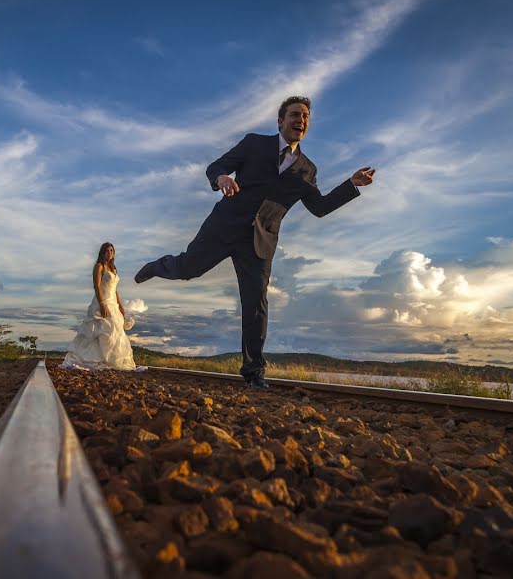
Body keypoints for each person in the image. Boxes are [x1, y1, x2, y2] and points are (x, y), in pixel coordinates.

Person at [135, 96, 374, 388]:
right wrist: (222, 177)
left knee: (255, 306)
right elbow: (217, 166)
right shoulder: (254, 144)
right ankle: (157, 266)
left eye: (306, 117)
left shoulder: (308, 169)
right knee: (187, 269)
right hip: (224, 226)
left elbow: (319, 207)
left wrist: (350, 185)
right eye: (295, 115)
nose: (301, 120)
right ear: (280, 121)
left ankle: (253, 372)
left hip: (260, 241)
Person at [61, 242, 140, 371]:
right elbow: (96, 287)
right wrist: (102, 305)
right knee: (99, 331)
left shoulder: (113, 269)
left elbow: (115, 290)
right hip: (101, 302)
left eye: (112, 251)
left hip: (113, 302)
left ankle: (111, 361)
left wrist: (120, 305)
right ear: (102, 252)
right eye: (107, 251)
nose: (110, 253)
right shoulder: (99, 266)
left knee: (115, 330)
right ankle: (92, 360)